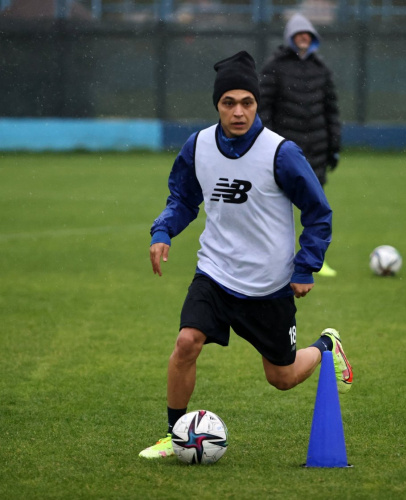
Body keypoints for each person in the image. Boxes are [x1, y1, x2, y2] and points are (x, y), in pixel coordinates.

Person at [139, 51, 352, 459]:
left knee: (282, 378)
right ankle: (173, 434)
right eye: (229, 103)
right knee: (186, 342)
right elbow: (182, 198)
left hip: (269, 285)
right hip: (215, 273)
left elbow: (318, 212)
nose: (238, 112)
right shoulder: (198, 146)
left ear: (257, 104)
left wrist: (306, 266)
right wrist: (163, 230)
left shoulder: (281, 153)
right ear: (217, 105)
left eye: (247, 102)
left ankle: (326, 345)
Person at [259, 13, 341, 278]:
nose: (304, 38)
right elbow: (263, 108)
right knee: (276, 209)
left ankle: (316, 260)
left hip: (316, 150)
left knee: (316, 210)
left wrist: (334, 146)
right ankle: (273, 259)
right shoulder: (274, 66)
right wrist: (267, 144)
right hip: (283, 152)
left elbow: (331, 110)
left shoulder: (321, 69)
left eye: (308, 34)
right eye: (299, 34)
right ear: (290, 38)